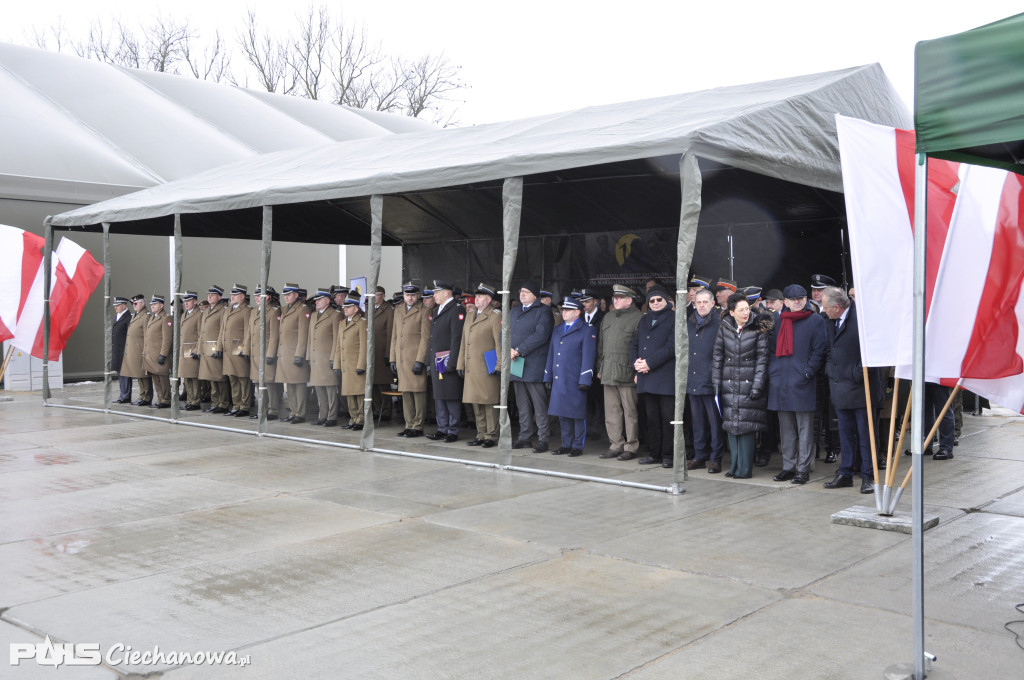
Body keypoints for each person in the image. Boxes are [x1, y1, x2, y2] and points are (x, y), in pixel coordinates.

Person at [819, 286, 880, 493]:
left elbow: (873, 351)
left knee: (866, 435)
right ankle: (845, 473)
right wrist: (830, 369)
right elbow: (830, 348)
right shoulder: (830, 320)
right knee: (845, 434)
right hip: (839, 385)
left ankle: (868, 476)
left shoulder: (862, 318)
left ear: (837, 307)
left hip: (861, 387)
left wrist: (856, 373)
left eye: (825, 306)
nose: (823, 310)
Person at [768, 284, 827, 485]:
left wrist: (807, 372)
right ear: (785, 301)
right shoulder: (778, 321)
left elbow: (819, 351)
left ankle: (803, 469)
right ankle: (788, 467)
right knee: (786, 430)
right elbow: (771, 350)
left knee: (805, 429)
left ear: (805, 299)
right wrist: (774, 373)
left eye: (800, 298)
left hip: (802, 381)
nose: (797, 302)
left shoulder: (815, 320)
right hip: (781, 381)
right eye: (793, 299)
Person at [713, 292, 773, 478]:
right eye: (741, 310)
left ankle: (745, 469)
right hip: (729, 382)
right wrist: (716, 383)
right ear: (731, 312)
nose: (745, 313)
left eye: (747, 308)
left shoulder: (758, 327)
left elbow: (763, 359)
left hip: (748, 383)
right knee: (731, 424)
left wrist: (757, 385)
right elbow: (718, 356)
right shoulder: (725, 327)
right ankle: (735, 466)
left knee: (746, 426)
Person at [544, 296, 597, 456]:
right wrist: (548, 375)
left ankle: (577, 445)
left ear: (577, 312)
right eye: (563, 309)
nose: (564, 312)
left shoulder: (587, 329)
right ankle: (565, 444)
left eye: (567, 310)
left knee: (577, 414)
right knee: (562, 413)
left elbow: (589, 357)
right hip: (560, 377)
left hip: (575, 378)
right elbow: (551, 354)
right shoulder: (558, 329)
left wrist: (585, 379)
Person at [631, 285, 676, 468]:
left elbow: (672, 347)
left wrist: (649, 363)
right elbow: (634, 344)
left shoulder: (674, 319)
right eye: (652, 300)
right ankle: (654, 453)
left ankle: (668, 455)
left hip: (665, 377)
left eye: (659, 300)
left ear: (666, 301)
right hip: (646, 377)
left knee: (668, 419)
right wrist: (636, 363)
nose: (656, 303)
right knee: (651, 418)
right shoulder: (644, 320)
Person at [596, 284, 643, 460]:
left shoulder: (638, 318)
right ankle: (615, 444)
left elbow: (640, 347)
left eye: (619, 297)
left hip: (627, 372)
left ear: (629, 300)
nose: (615, 300)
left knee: (630, 412)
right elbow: (601, 345)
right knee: (611, 411)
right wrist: (600, 367)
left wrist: (637, 371)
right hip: (608, 371)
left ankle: (631, 446)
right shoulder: (607, 317)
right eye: (614, 297)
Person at [510, 280, 554, 452]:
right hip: (516, 362)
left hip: (533, 364)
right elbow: (503, 332)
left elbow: (541, 335)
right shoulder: (514, 312)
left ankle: (543, 438)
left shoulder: (543, 312)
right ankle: (524, 436)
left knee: (539, 404)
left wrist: (519, 350)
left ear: (535, 296)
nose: (522, 294)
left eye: (526, 292)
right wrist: (508, 349)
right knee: (522, 403)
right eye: (521, 291)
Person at [457, 282, 502, 448]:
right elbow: (464, 342)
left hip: (487, 365)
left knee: (489, 402)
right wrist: (460, 364)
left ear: (489, 299)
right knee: (475, 401)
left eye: (480, 296)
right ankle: (481, 433)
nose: (476, 299)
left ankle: (492, 435)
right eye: (476, 296)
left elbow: (499, 343)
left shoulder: (496, 316)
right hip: (471, 365)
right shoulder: (470, 315)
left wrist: (499, 365)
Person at [686, 288, 726, 473]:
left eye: (705, 302)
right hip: (693, 380)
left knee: (715, 423)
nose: (701, 305)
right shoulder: (689, 324)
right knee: (697, 422)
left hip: (712, 382)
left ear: (713, 304)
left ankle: (715, 458)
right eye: (698, 302)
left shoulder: (720, 324)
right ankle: (699, 456)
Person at [391, 281, 431, 438]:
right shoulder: (398, 310)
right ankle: (408, 424)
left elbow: (425, 338)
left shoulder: (424, 311)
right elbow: (394, 336)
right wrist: (393, 358)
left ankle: (418, 426)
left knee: (418, 393)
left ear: (418, 296)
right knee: (406, 392)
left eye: (412, 295)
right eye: (407, 295)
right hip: (401, 358)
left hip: (414, 358)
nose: (409, 298)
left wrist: (420, 360)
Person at [426, 280, 465, 442]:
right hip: (437, 360)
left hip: (448, 359)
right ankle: (442, 427)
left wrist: (453, 362)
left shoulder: (456, 310)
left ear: (446, 293)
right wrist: (429, 360)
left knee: (451, 396)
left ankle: (453, 430)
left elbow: (456, 338)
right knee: (439, 396)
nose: (434, 295)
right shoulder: (437, 310)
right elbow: (433, 338)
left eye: (437, 292)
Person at [245, 286, 283, 421]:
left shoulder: (273, 312)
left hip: (266, 353)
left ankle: (273, 409)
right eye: (255, 295)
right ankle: (262, 409)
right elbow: (250, 332)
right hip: (256, 353)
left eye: (259, 295)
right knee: (258, 383)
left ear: (268, 297)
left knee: (270, 383)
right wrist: (246, 350)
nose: (256, 298)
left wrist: (271, 354)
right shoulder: (254, 311)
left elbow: (274, 335)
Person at [278, 283, 311, 424]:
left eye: (289, 294)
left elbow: (303, 335)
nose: (286, 297)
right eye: (285, 295)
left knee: (299, 385)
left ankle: (300, 413)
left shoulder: (302, 309)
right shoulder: (284, 309)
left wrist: (299, 354)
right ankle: (293, 411)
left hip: (295, 353)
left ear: (296, 295)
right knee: (289, 384)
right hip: (285, 353)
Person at [335, 292, 368, 429]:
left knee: (359, 393)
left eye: (348, 307)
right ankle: (353, 418)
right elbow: (338, 345)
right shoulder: (342, 323)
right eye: (345, 307)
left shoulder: (361, 323)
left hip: (356, 363)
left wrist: (361, 365)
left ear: (356, 308)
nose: (345, 309)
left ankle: (360, 419)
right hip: (346, 364)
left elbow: (364, 346)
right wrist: (337, 364)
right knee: (349, 393)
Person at [307, 288, 340, 427]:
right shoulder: (314, 315)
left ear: (327, 300)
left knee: (330, 389)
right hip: (316, 357)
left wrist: (333, 358)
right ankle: (322, 415)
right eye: (316, 300)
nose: (317, 302)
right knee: (319, 388)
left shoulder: (335, 315)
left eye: (319, 300)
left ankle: (332, 417)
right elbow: (310, 337)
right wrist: (308, 356)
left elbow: (337, 339)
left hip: (327, 357)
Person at [219, 284, 251, 417]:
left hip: (239, 349)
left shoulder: (246, 310)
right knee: (233, 378)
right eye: (231, 294)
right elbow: (222, 330)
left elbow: (248, 332)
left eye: (235, 294)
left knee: (243, 378)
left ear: (242, 297)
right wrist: (219, 346)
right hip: (228, 350)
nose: (232, 297)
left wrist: (246, 348)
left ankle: (245, 406)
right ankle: (236, 405)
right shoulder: (228, 310)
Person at [578, 288, 605, 440]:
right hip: (581, 363)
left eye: (587, 301)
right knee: (584, 396)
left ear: (595, 302)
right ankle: (587, 425)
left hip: (597, 363)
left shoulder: (604, 318)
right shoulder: (579, 317)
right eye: (582, 302)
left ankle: (597, 427)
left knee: (598, 397)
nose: (584, 305)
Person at [199, 285, 230, 414]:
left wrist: (219, 347)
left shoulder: (223, 310)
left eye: (212, 295)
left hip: (216, 348)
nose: (209, 297)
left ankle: (223, 403)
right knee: (211, 377)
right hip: (206, 349)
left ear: (219, 297)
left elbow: (223, 331)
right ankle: (215, 401)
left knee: (219, 377)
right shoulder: (206, 311)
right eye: (208, 295)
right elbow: (202, 332)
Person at [142, 294, 173, 409]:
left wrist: (163, 354)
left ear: (161, 305)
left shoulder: (165, 318)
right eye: (152, 304)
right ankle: (160, 398)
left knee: (163, 378)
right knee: (155, 378)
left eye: (155, 304)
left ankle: (166, 399)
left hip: (159, 354)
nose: (152, 306)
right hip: (151, 355)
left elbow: (167, 338)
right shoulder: (152, 317)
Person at [369, 285, 394, 422]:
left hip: (382, 351)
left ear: (383, 296)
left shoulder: (389, 310)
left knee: (383, 383)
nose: (375, 297)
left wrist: (388, 354)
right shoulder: (369, 310)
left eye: (377, 295)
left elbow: (390, 333)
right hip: (371, 353)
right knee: (372, 384)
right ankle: (376, 409)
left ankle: (386, 411)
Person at [121, 294, 151, 406]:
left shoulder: (146, 316)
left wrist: (145, 351)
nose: (134, 306)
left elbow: (147, 336)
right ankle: (142, 395)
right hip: (135, 350)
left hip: (141, 350)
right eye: (133, 304)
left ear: (142, 303)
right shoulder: (136, 315)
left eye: (136, 303)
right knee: (138, 375)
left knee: (143, 375)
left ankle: (146, 397)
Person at [178, 291, 202, 411]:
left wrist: (197, 350)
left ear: (195, 302)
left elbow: (200, 334)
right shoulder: (184, 315)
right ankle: (189, 400)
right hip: (184, 349)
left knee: (194, 377)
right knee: (186, 376)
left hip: (192, 349)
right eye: (185, 301)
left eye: (189, 301)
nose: (186, 303)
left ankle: (195, 401)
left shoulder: (199, 315)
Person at [111, 296, 132, 404]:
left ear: (124, 305)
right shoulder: (118, 316)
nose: (115, 308)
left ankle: (126, 395)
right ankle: (122, 394)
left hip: (124, 350)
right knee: (120, 373)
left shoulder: (128, 317)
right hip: (118, 349)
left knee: (125, 374)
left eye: (117, 305)